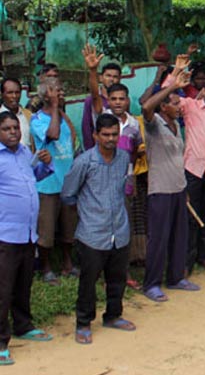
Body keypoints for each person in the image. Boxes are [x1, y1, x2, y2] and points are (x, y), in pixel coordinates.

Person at [61, 114, 136, 345]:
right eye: (105, 135)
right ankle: (83, 323)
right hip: (93, 233)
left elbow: (124, 187)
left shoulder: (124, 158)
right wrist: (88, 214)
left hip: (119, 230)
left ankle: (113, 316)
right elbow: (68, 194)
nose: (111, 139)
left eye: (115, 134)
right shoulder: (84, 162)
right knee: (88, 282)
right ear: (95, 135)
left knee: (117, 279)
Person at [160, 72, 205, 275]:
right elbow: (166, 91)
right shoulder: (190, 106)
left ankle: (204, 256)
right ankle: (186, 261)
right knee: (191, 216)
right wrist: (176, 73)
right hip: (192, 170)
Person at [141, 63, 200, 302]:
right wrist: (172, 86)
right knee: (159, 238)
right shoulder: (154, 124)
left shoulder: (176, 127)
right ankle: (151, 284)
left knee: (179, 235)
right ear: (163, 107)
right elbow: (146, 105)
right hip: (160, 190)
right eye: (175, 103)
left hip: (177, 189)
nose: (179, 107)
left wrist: (184, 189)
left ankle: (176, 277)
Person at [0, 112, 54, 366]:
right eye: (6, 128)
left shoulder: (23, 153)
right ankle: (1, 342)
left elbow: (35, 177)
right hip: (5, 235)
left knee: (23, 283)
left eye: (15, 127)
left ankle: (23, 325)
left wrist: (44, 163)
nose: (12, 132)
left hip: (27, 232)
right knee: (3, 289)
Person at [30, 79, 78, 284]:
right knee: (46, 230)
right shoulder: (38, 119)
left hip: (67, 182)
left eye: (60, 89)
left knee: (69, 227)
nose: (59, 92)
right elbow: (53, 134)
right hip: (48, 183)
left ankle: (68, 263)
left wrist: (59, 110)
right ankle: (47, 267)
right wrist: (56, 107)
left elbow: (72, 138)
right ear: (45, 95)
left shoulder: (63, 117)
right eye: (54, 90)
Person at [81, 45, 121, 150]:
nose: (111, 79)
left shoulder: (122, 99)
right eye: (108, 76)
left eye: (115, 77)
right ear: (101, 78)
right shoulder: (92, 100)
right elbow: (87, 127)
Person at [0, 78, 34, 151]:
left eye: (17, 92)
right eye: (10, 92)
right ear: (2, 94)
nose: (14, 96)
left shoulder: (28, 115)